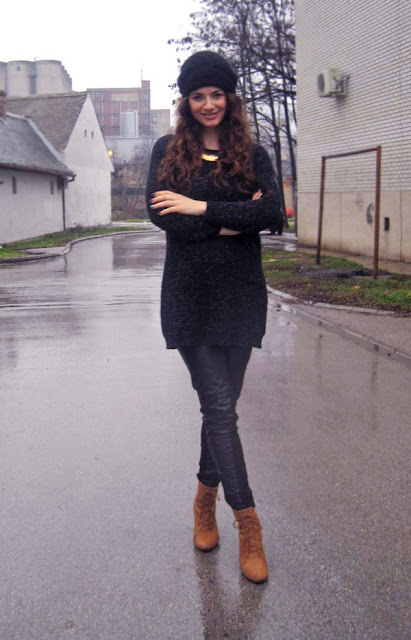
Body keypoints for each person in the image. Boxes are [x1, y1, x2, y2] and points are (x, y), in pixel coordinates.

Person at [146, 50, 281, 583]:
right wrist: (235, 222)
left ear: (230, 98)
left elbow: (271, 212)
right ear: (186, 102)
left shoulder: (252, 153)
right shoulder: (167, 152)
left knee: (221, 408)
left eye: (216, 94)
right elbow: (162, 215)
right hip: (189, 298)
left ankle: (203, 499)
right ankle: (249, 525)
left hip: (241, 296)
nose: (208, 104)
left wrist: (200, 207)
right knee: (221, 409)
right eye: (198, 96)